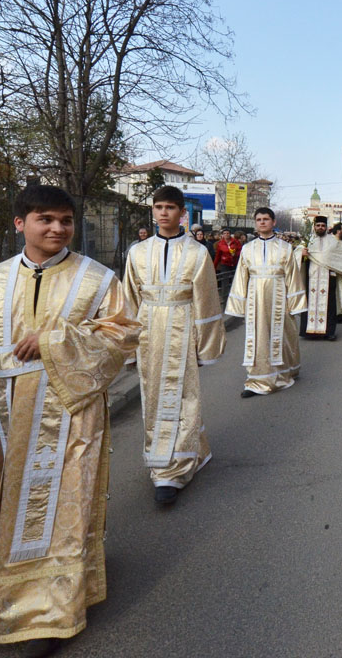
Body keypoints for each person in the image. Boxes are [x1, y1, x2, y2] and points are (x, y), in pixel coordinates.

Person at [0, 185, 139, 654]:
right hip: (8, 413)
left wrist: (54, 341)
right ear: (20, 224)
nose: (57, 228)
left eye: (65, 220)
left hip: (73, 411)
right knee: (17, 507)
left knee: (69, 507)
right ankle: (20, 605)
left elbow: (122, 335)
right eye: (45, 219)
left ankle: (55, 613)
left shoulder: (98, 279)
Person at [123, 186, 225, 505]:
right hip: (148, 331)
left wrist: (205, 346)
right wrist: (127, 345)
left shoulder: (197, 252)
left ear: (182, 213)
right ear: (152, 211)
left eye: (170, 207)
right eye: (159, 207)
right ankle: (171, 454)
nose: (163, 212)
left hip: (183, 328)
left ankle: (174, 470)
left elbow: (206, 300)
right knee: (153, 395)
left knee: (184, 396)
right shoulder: (137, 253)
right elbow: (129, 299)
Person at [225, 207, 306, 396]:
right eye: (259, 219)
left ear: (273, 222)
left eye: (266, 219)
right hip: (256, 300)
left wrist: (295, 303)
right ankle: (257, 380)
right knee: (258, 336)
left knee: (283, 335)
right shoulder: (247, 249)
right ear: (255, 223)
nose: (262, 222)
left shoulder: (285, 248)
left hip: (280, 298)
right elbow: (241, 277)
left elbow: (292, 276)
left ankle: (285, 371)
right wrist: (239, 304)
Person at [301, 216, 342, 341]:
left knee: (330, 304)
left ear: (326, 227)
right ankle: (310, 331)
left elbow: (339, 259)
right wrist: (302, 255)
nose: (320, 228)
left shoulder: (333, 241)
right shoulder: (308, 241)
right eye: (318, 225)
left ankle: (329, 332)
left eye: (323, 226)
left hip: (329, 277)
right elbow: (297, 258)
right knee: (310, 303)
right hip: (311, 277)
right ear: (314, 227)